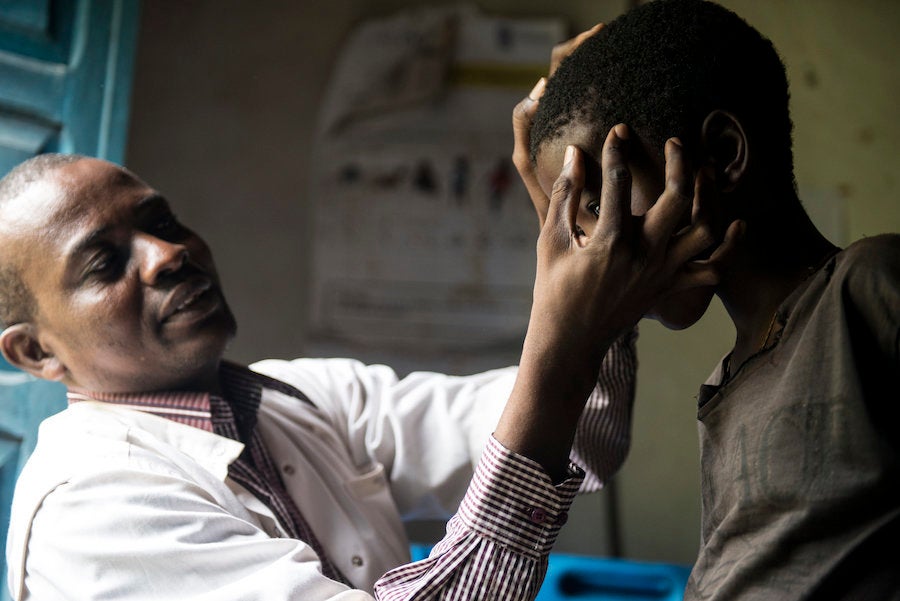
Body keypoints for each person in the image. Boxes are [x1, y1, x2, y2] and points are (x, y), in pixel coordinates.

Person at [0, 59, 731, 600]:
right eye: (104, 262)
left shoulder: (298, 396)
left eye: (160, 221)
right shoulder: (92, 510)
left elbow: (573, 433)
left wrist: (601, 272)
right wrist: (568, 322)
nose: (169, 253)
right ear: (35, 351)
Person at [513, 0, 900, 599]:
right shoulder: (729, 382)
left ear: (720, 155)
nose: (585, 252)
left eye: (597, 200)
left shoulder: (868, 289)